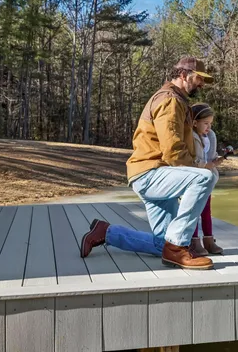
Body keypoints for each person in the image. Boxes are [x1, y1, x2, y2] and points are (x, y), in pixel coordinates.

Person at [80, 57, 221, 270]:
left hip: (154, 174)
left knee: (160, 244)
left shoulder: (178, 100)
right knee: (206, 177)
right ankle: (177, 248)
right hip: (151, 174)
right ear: (183, 75)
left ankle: (106, 232)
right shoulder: (169, 100)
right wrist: (200, 169)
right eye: (198, 78)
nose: (201, 84)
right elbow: (172, 150)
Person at [189, 103, 224, 256]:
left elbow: (210, 155)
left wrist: (216, 160)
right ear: (195, 122)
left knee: (206, 211)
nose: (208, 127)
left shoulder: (209, 136)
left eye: (210, 123)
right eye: (205, 123)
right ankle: (194, 241)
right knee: (194, 211)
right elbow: (190, 159)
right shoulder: (190, 137)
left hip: (207, 179)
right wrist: (205, 165)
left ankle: (209, 241)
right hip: (194, 179)